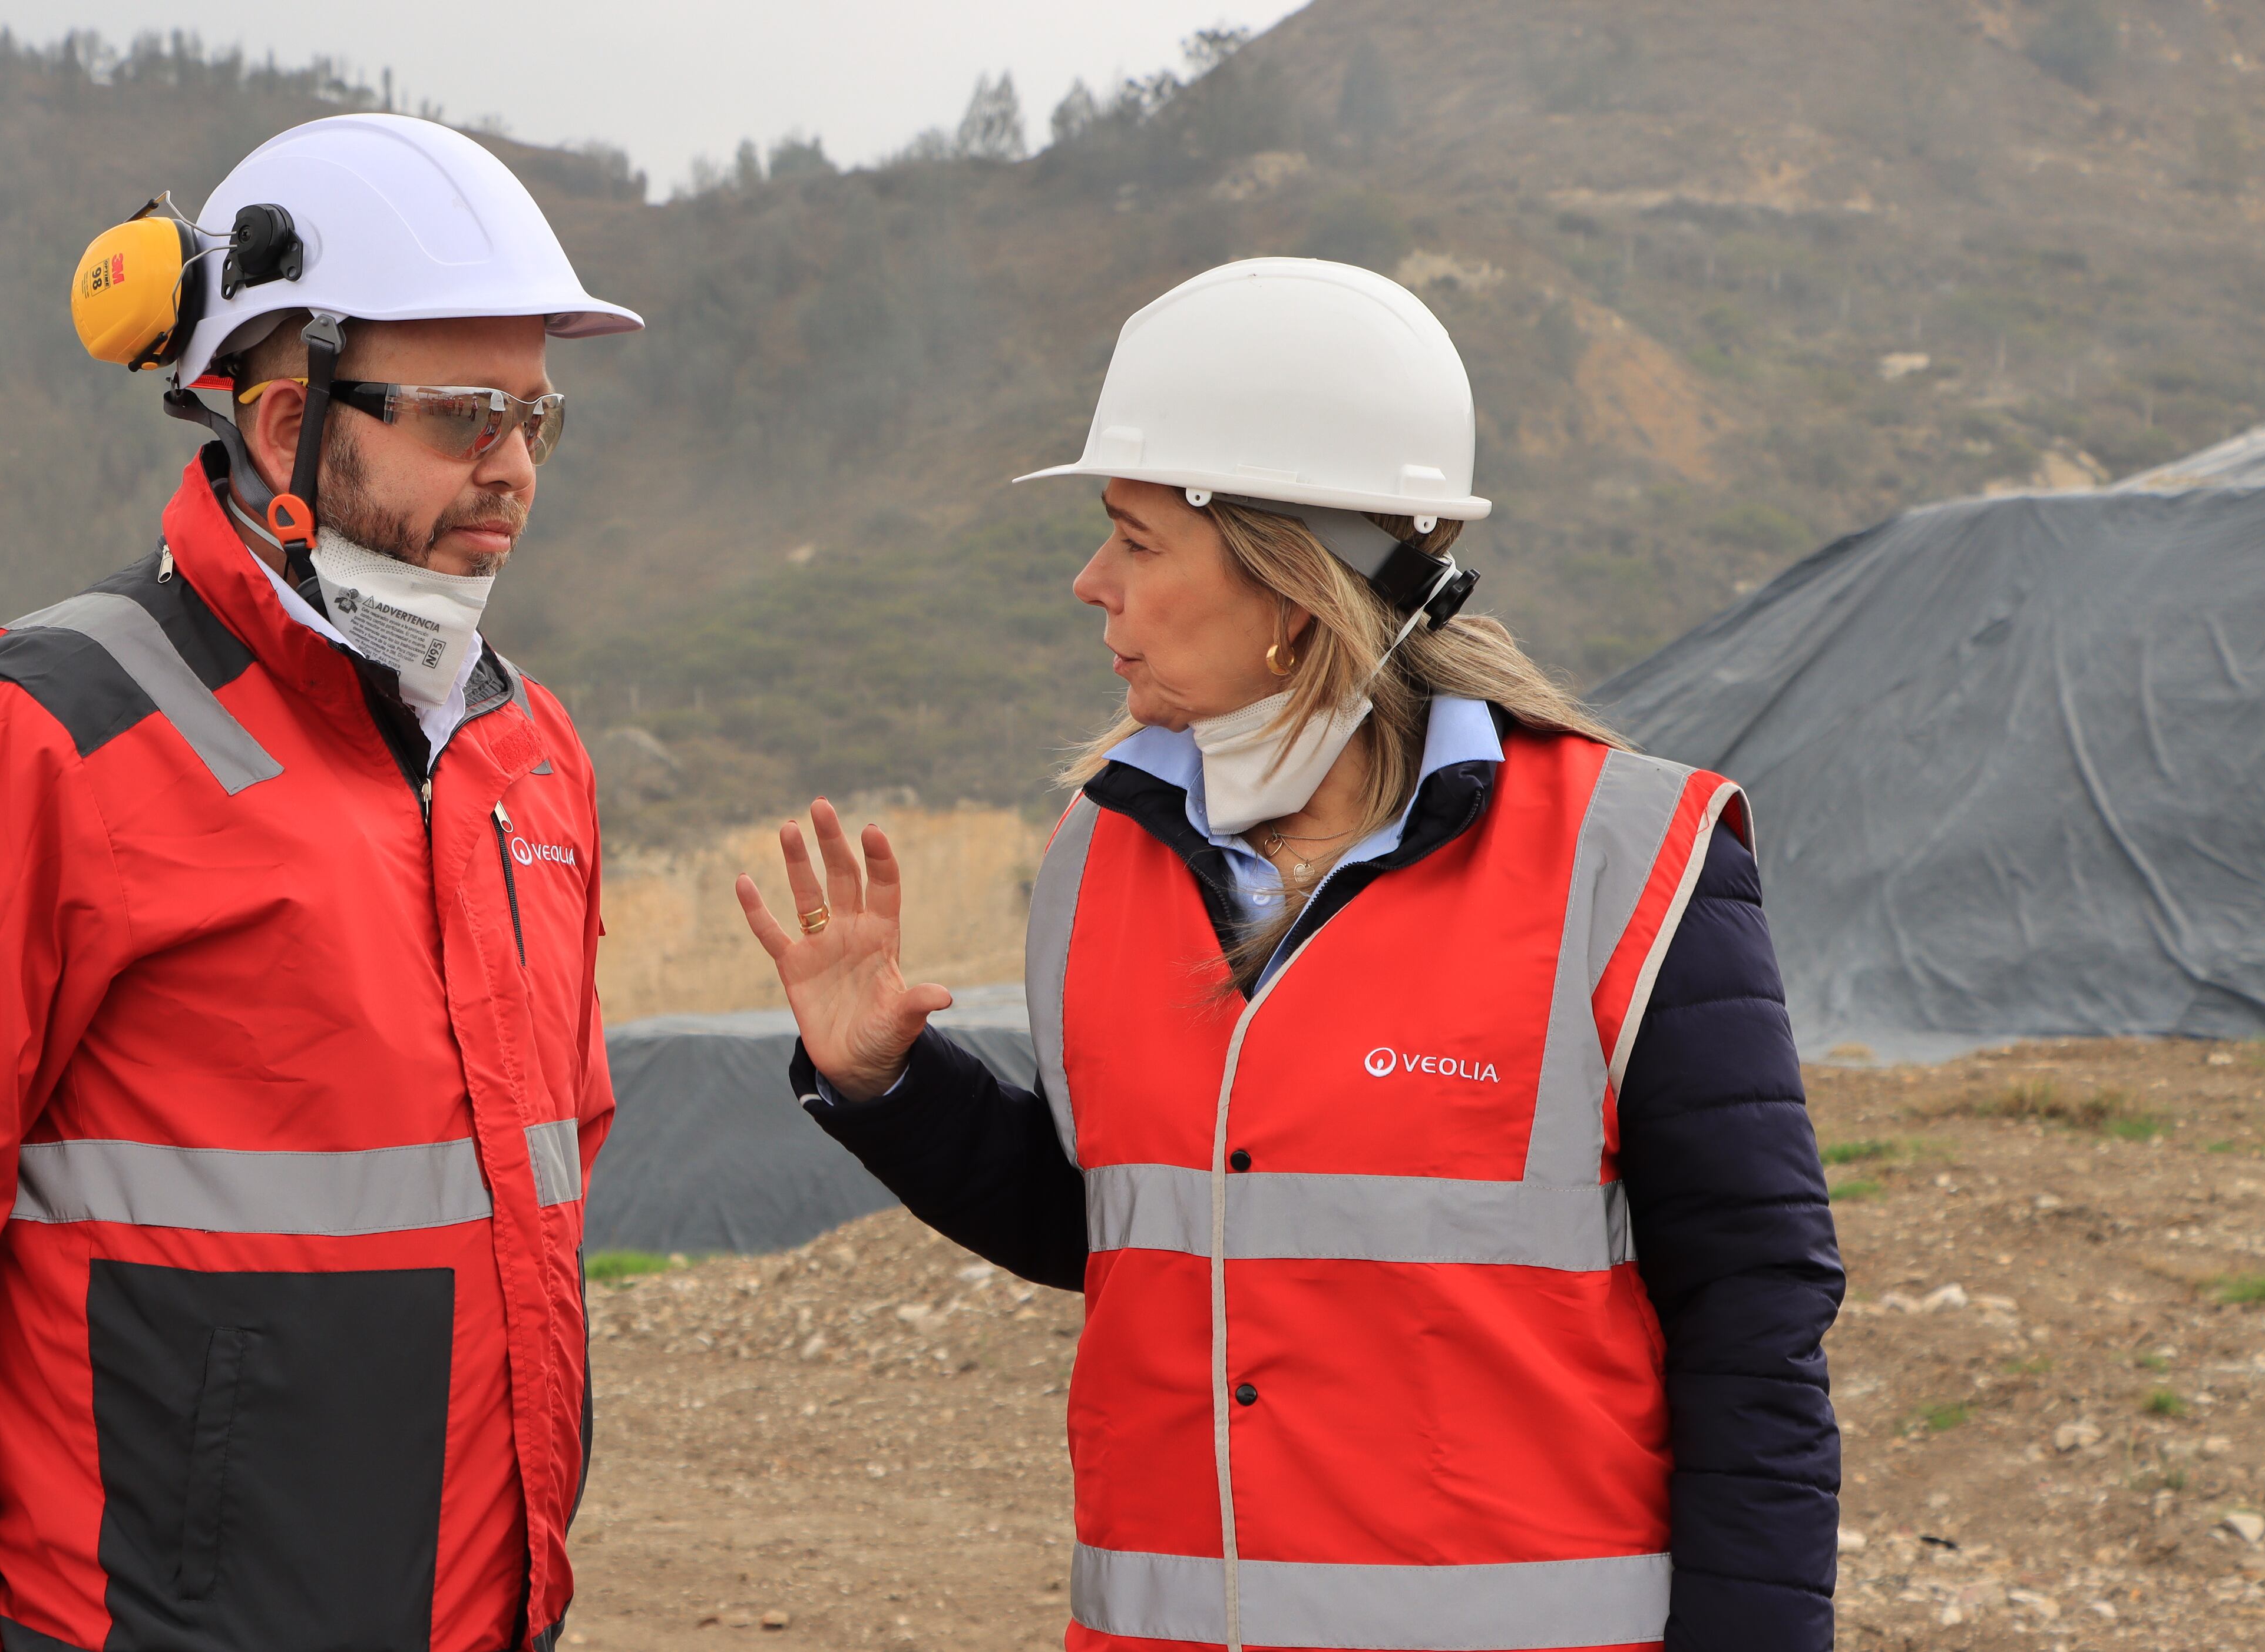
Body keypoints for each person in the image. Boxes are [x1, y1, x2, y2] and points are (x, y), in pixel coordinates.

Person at [737, 260, 1841, 1652]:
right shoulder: (1102, 851)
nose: (1091, 584)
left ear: (1290, 582)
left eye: (1135, 541)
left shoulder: (1630, 860)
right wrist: (888, 1085)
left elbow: (1753, 1320)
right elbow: (1130, 1236)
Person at [0, 114, 638, 1652]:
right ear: (287, 419)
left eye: (535, 421)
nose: (510, 467)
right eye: (461, 414)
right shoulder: (51, 735)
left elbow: (539, 1191)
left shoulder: (530, 753)